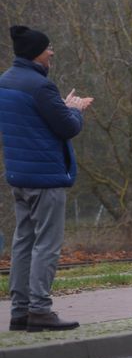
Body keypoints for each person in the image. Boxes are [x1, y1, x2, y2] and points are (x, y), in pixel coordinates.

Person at [0, 25, 93, 332]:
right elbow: (67, 127)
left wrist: (61, 109)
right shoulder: (41, 87)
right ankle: (40, 309)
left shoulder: (6, 81)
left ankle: (20, 311)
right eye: (48, 48)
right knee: (47, 245)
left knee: (23, 242)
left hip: (19, 176)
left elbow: (34, 121)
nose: (51, 52)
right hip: (46, 178)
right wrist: (75, 110)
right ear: (36, 53)